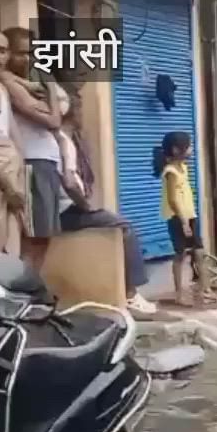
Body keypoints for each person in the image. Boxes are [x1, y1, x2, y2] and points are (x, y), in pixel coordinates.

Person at [57, 88, 156, 314]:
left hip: (66, 209)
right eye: (80, 109)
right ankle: (131, 293)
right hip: (69, 211)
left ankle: (131, 292)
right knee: (124, 226)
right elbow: (70, 182)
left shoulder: (64, 139)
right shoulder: (65, 141)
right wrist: (84, 205)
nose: (84, 115)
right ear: (72, 112)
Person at [1, 27, 61, 269]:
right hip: (31, 164)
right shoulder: (11, 84)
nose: (26, 59)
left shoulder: (14, 84)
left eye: (30, 53)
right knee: (32, 238)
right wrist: (52, 95)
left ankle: (28, 293)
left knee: (40, 237)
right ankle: (25, 292)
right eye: (20, 53)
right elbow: (53, 121)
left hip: (37, 164)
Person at [154, 131, 211, 307]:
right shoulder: (170, 171)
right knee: (180, 255)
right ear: (176, 149)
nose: (191, 149)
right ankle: (180, 293)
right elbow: (172, 199)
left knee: (199, 252)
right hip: (178, 218)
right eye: (188, 146)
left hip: (190, 215)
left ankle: (205, 289)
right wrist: (184, 221)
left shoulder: (183, 167)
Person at [0, 32, 28, 256]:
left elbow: (11, 129)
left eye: (3, 51)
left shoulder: (2, 89)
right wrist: (9, 186)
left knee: (10, 236)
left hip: (11, 168)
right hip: (2, 173)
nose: (1, 57)